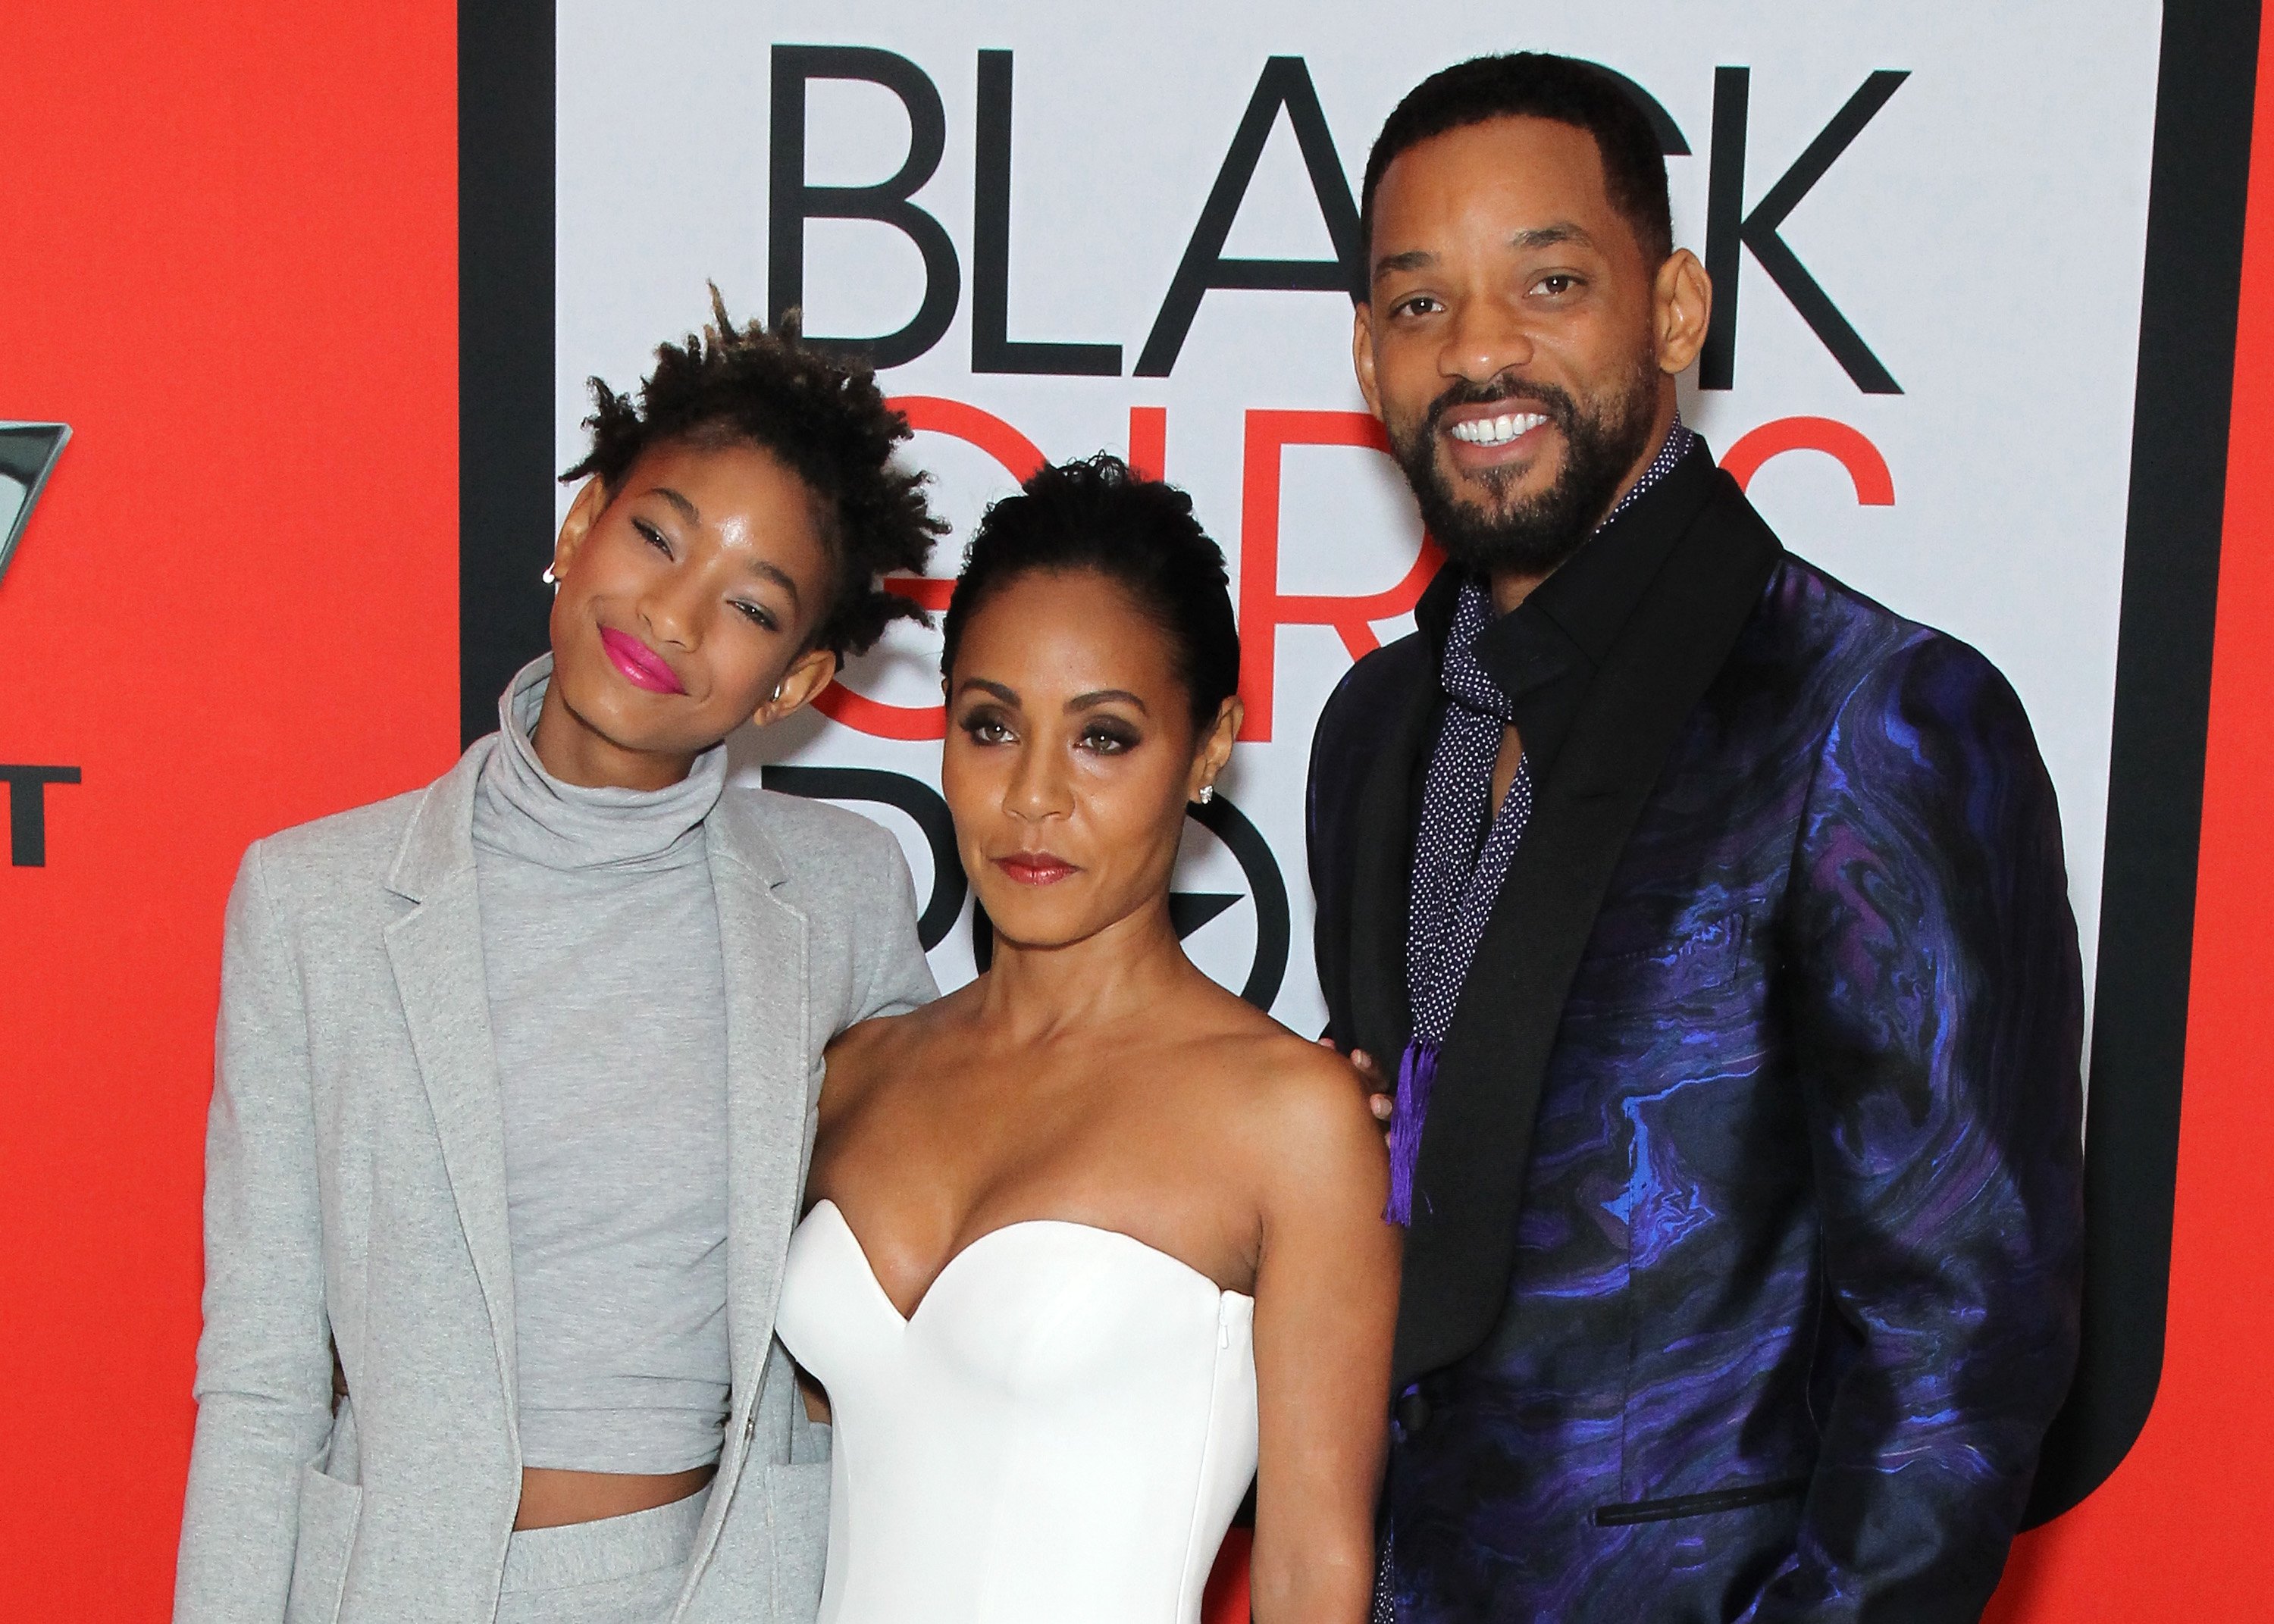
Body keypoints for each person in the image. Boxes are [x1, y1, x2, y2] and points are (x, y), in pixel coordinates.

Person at [1307, 54, 2086, 1622]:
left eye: (1549, 280)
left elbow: (1959, 1347)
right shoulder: (1375, 730)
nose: (1480, 354)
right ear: (1369, 359)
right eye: (1419, 305)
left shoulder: (1877, 717)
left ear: (1673, 311)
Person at [174, 294, 942, 1624]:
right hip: (402, 1589)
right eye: (656, 535)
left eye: (748, 606)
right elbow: (262, 1375)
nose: (673, 613)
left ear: (793, 684)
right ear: (580, 523)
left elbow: (978, 1184)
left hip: (732, 1587)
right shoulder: (312, 902)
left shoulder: (840, 894)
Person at [775, 455, 1399, 1624]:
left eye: (1104, 737)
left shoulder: (1293, 1121)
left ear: (1210, 749)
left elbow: (1316, 1577)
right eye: (992, 726)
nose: (1035, 797)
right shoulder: (853, 1074)